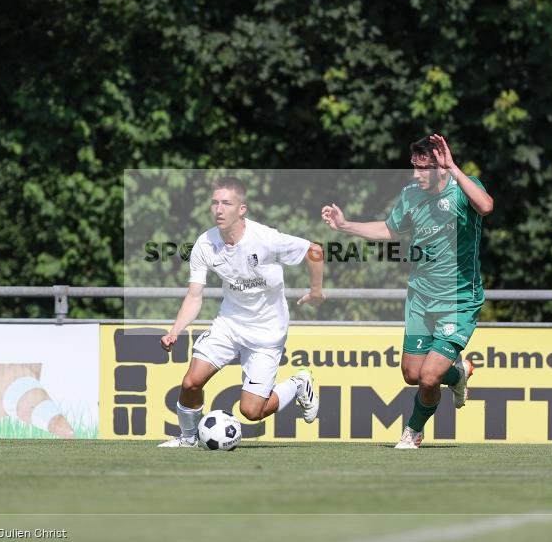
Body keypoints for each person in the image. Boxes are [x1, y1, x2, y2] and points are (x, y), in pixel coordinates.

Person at [321, 134, 493, 449]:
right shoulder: (411, 194)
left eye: (424, 168)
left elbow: (486, 206)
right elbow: (390, 229)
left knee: (429, 378)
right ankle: (457, 373)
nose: (416, 174)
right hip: (420, 298)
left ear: (441, 167)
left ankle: (412, 432)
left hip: (458, 300)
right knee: (412, 374)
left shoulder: (463, 188)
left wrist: (454, 168)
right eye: (414, 167)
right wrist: (345, 226)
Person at [159, 176, 325, 447]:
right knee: (191, 382)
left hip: (267, 332)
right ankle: (188, 438)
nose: (219, 209)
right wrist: (175, 331)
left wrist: (316, 291)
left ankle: (297, 384)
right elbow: (194, 296)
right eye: (215, 203)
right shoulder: (205, 244)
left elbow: (314, 250)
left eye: (226, 203)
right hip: (230, 324)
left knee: (251, 412)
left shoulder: (266, 239)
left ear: (242, 209)